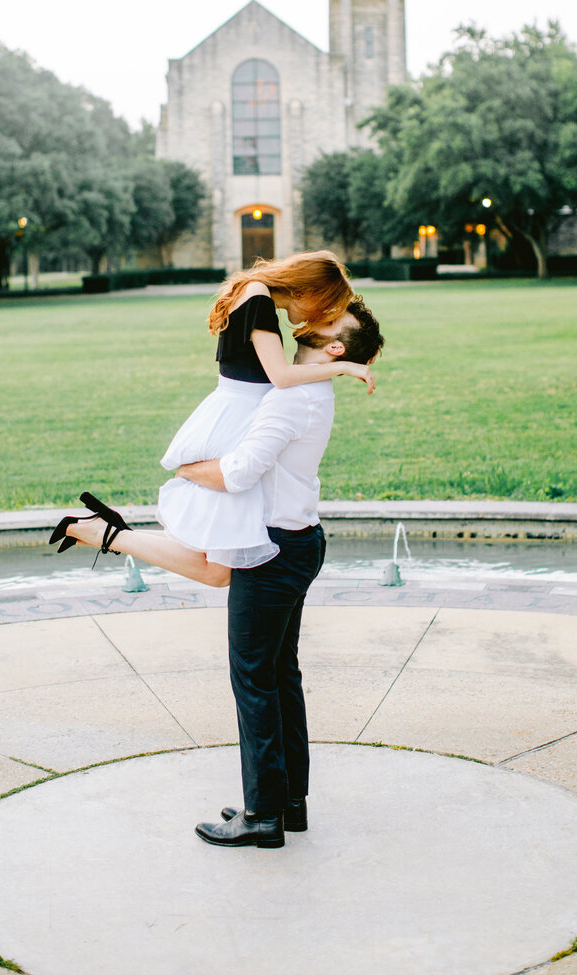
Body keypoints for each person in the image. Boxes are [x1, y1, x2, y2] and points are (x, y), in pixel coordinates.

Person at [178, 298, 385, 849]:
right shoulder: (309, 391)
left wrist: (187, 469)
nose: (316, 315)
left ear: (335, 346)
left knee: (254, 680)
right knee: (279, 675)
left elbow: (240, 474)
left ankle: (262, 815)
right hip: (296, 543)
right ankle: (287, 800)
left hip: (272, 553)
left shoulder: (293, 399)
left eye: (331, 319)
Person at [50, 252, 374, 586]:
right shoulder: (258, 297)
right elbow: (279, 375)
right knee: (218, 568)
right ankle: (99, 531)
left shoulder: (255, 292)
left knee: (217, 563)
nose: (318, 316)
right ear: (305, 290)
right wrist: (343, 366)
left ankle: (100, 530)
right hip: (239, 419)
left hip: (238, 414)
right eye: (325, 305)